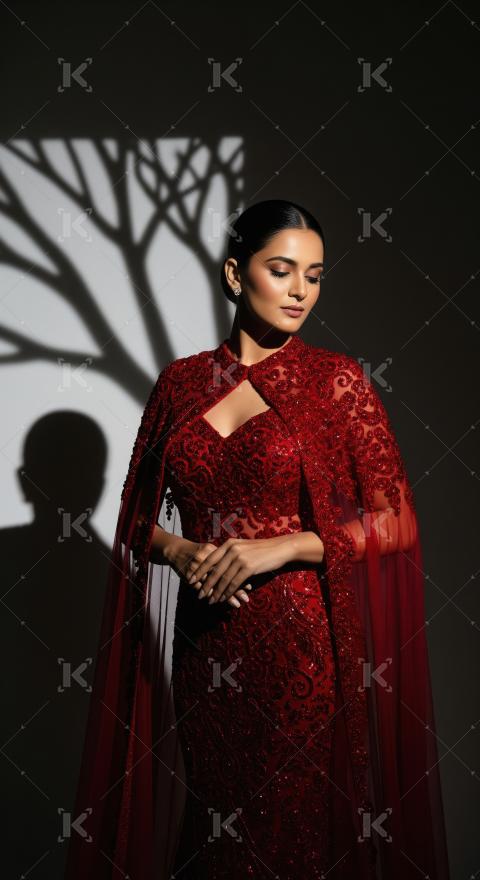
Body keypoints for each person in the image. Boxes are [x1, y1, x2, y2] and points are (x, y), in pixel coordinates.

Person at [65, 200, 450, 879]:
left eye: (315, 274)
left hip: (300, 647)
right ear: (237, 275)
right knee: (216, 832)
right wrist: (182, 553)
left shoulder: (336, 383)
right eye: (283, 270)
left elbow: (397, 520)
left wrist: (282, 547)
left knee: (286, 834)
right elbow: (134, 519)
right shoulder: (181, 383)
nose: (302, 289)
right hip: (203, 647)